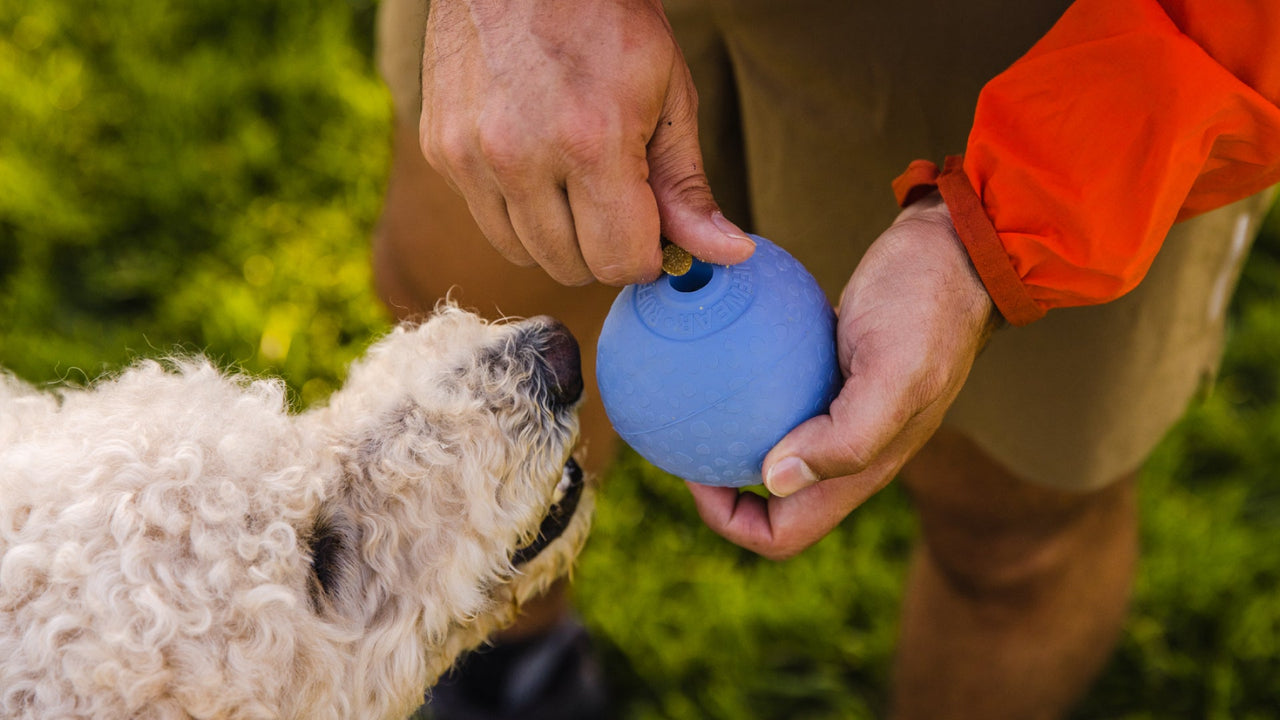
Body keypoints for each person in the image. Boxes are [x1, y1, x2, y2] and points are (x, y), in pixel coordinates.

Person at [373, 0, 1280, 717]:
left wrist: (993, 233)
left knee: (1012, 529)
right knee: (477, 342)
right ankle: (508, 664)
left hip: (1029, 38)